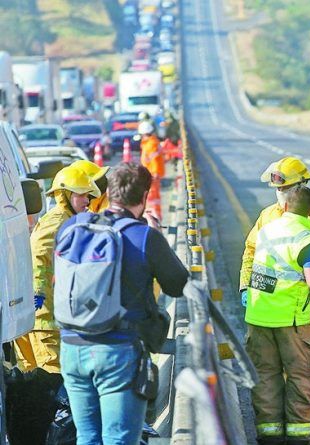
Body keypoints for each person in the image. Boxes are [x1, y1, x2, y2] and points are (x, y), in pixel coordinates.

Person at [58, 163, 189, 444]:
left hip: (71, 348)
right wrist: (156, 238)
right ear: (143, 198)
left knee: (88, 437)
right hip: (116, 352)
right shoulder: (144, 236)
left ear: (108, 193)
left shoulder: (74, 226)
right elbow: (177, 284)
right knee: (119, 439)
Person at [240, 156, 310, 417]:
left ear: (302, 186)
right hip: (279, 305)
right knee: (279, 360)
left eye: (286, 188)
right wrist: (247, 287)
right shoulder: (267, 216)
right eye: (278, 189)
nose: (281, 194)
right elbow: (251, 253)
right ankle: (288, 408)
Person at [13, 166, 100, 374]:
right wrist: (39, 296)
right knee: (53, 376)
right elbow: (37, 258)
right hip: (43, 320)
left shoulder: (66, 220)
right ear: (65, 194)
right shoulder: (58, 221)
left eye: (88, 195)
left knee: (35, 383)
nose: (87, 201)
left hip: (38, 317)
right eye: (81, 195)